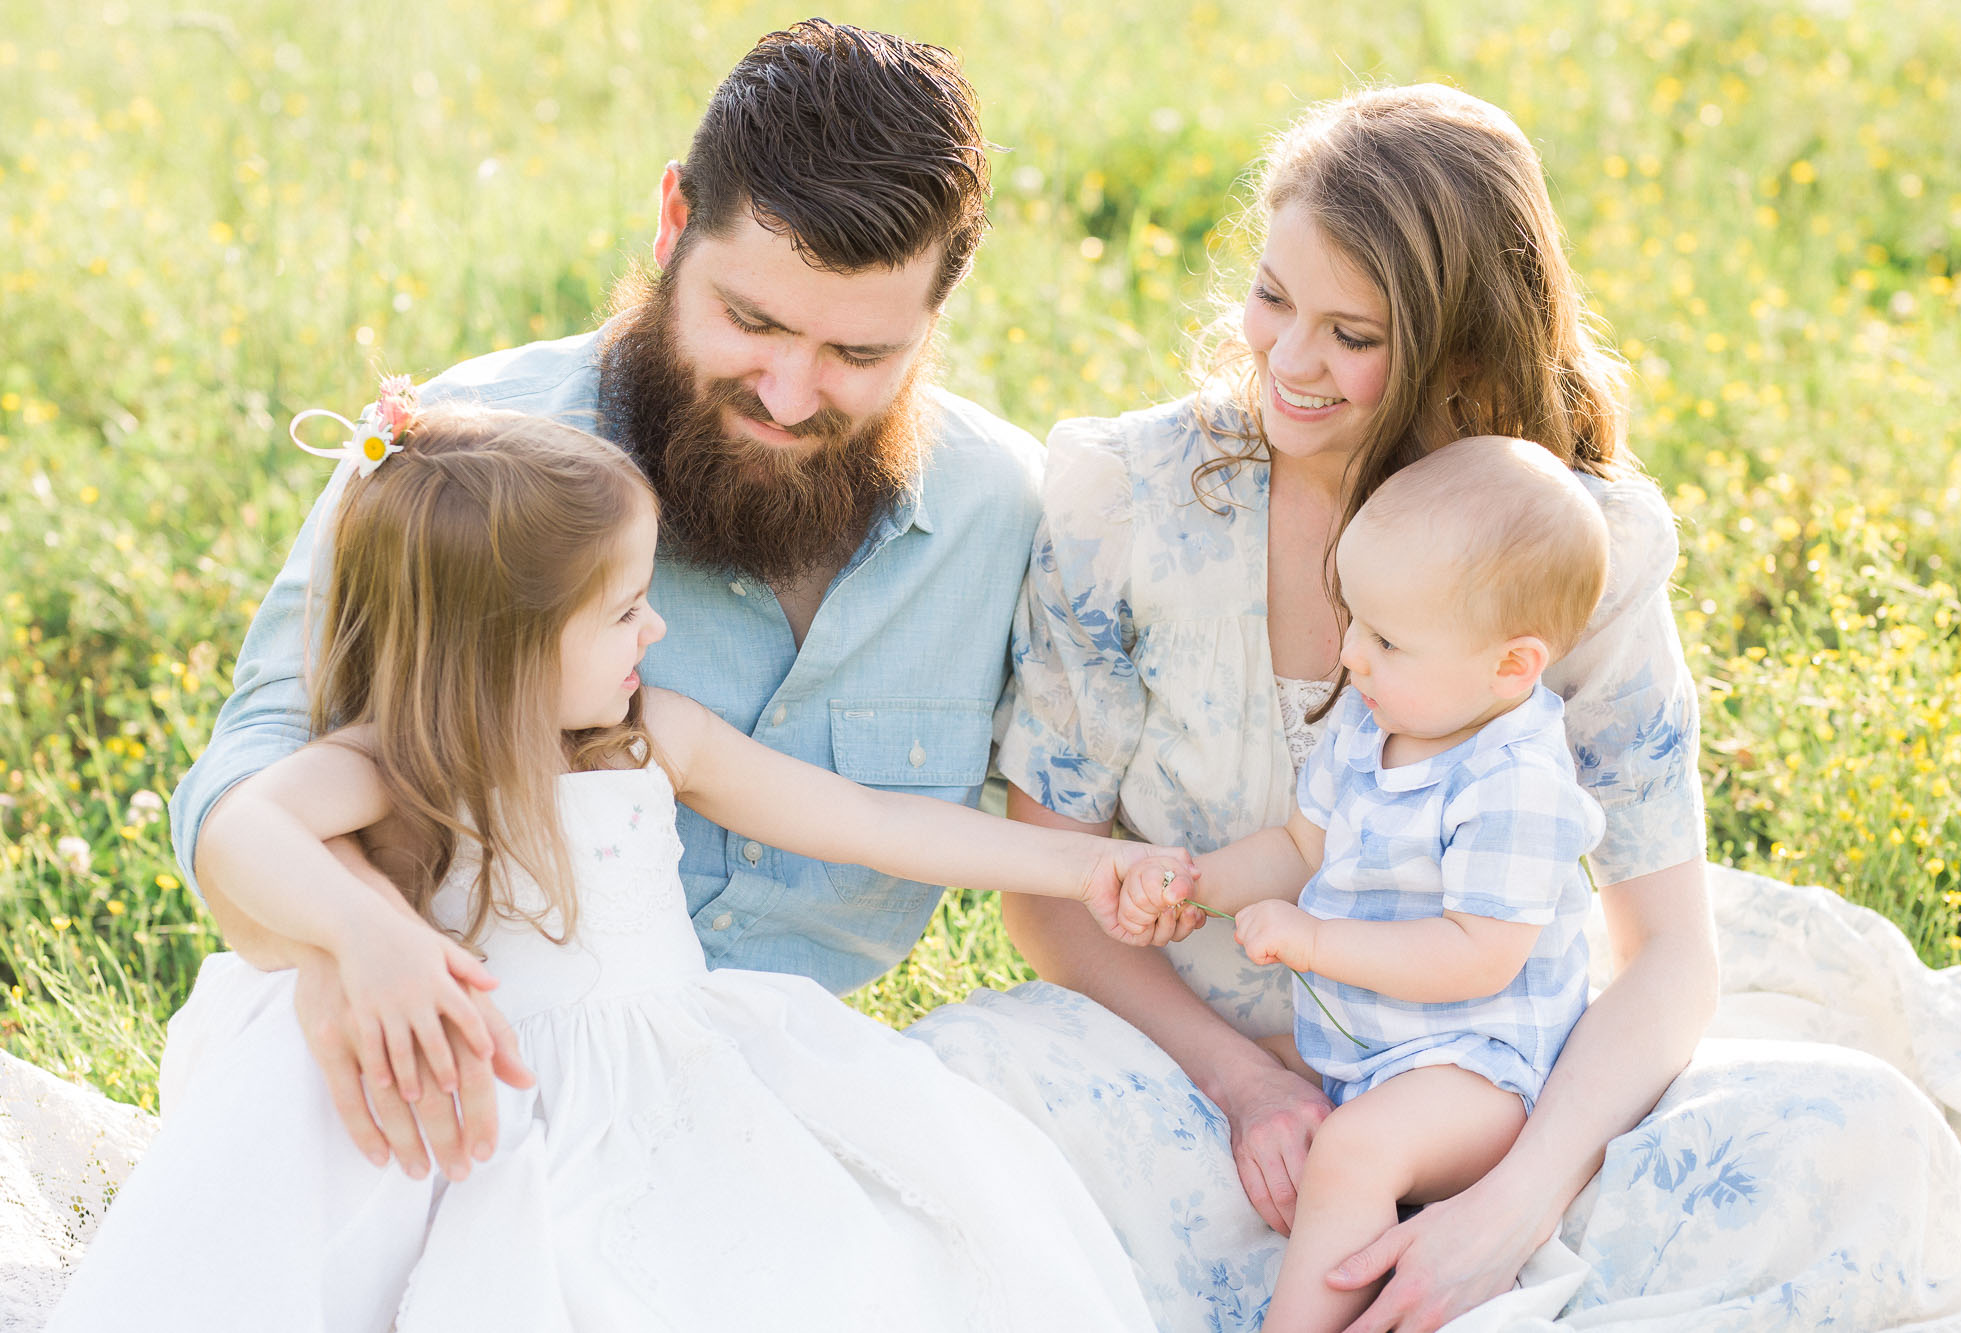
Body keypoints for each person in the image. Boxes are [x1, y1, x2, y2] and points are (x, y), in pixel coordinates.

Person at [54, 401, 1177, 1331]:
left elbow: (862, 819)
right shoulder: (401, 765)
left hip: (658, 1079)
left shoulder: (653, 735)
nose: (653, 634)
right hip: (463, 1107)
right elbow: (249, 826)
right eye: (626, 610)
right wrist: (368, 933)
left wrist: (1081, 870)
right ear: (498, 646)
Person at [165, 19, 1048, 1182]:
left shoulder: (1005, 516)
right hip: (473, 1097)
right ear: (672, 222)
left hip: (785, 1102)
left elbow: (1049, 828)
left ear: (935, 315)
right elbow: (252, 771)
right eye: (752, 322)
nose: (788, 395)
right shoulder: (470, 465)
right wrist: (348, 937)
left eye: (857, 353)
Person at [918, 83, 1719, 1330]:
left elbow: (1666, 947)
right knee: (956, 1118)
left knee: (1839, 1148)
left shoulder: (1563, 542)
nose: (1288, 361)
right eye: (1273, 298)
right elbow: (1047, 889)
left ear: (1462, 350)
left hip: (1482, 1100)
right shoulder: (1127, 502)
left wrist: (1505, 1205)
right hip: (1179, 1063)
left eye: (1352, 333)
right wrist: (1245, 1084)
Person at [1117, 435, 1611, 1331]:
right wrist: (1197, 883)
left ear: (1512, 666)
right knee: (1194, 1076)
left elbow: (1478, 957)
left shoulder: (1515, 781)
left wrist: (1312, 941)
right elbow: (1303, 848)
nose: (1350, 655)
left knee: (1353, 1152)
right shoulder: (1371, 720)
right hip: (1369, 1042)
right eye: (1355, 621)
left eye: (1387, 639)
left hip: (1478, 1070)